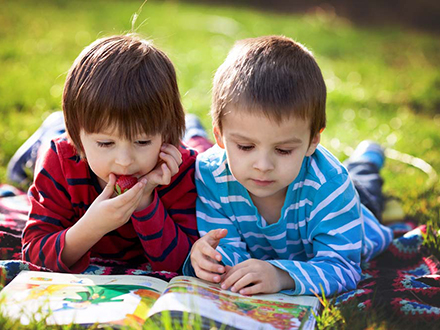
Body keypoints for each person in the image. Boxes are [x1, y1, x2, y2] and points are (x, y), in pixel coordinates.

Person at [183, 35, 393, 296]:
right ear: (219, 136)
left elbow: (343, 268)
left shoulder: (331, 187)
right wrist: (210, 258)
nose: (262, 165)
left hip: (354, 213)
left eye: (283, 150)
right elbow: (229, 250)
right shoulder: (211, 175)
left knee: (364, 183)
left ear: (313, 140)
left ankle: (367, 159)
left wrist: (281, 276)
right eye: (245, 147)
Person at [20, 34, 205, 274]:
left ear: (165, 136)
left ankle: (193, 128)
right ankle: (53, 124)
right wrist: (92, 226)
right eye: (106, 143)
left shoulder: (177, 169)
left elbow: (183, 264)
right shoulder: (60, 161)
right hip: (58, 137)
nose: (125, 161)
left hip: (186, 144)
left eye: (142, 141)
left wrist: (145, 202)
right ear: (77, 138)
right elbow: (34, 254)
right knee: (36, 151)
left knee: (202, 148)